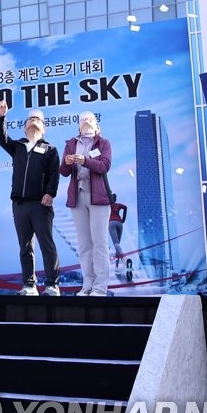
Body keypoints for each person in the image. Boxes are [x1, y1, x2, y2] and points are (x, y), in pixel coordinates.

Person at [0, 101, 61, 295]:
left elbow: (54, 174)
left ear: (44, 128)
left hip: (40, 203)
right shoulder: (18, 146)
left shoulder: (50, 149)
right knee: (25, 246)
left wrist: (50, 193)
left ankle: (52, 284)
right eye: (31, 118)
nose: (34, 120)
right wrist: (1, 117)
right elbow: (1, 138)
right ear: (24, 127)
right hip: (19, 204)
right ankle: (29, 284)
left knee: (46, 244)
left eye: (38, 119)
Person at [60, 112, 114, 297]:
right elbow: (63, 171)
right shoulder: (71, 144)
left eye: (90, 118)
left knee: (99, 242)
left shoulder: (103, 143)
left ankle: (100, 287)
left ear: (97, 126)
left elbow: (104, 166)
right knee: (84, 244)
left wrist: (85, 161)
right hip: (78, 196)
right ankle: (87, 285)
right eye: (83, 119)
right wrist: (67, 162)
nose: (86, 120)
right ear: (79, 126)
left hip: (98, 196)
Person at [109, 192, 128, 265]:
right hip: (119, 223)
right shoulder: (118, 205)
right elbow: (125, 207)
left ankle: (124, 260)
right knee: (118, 245)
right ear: (115, 199)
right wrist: (123, 219)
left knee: (116, 243)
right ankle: (117, 265)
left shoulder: (107, 206)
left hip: (111, 223)